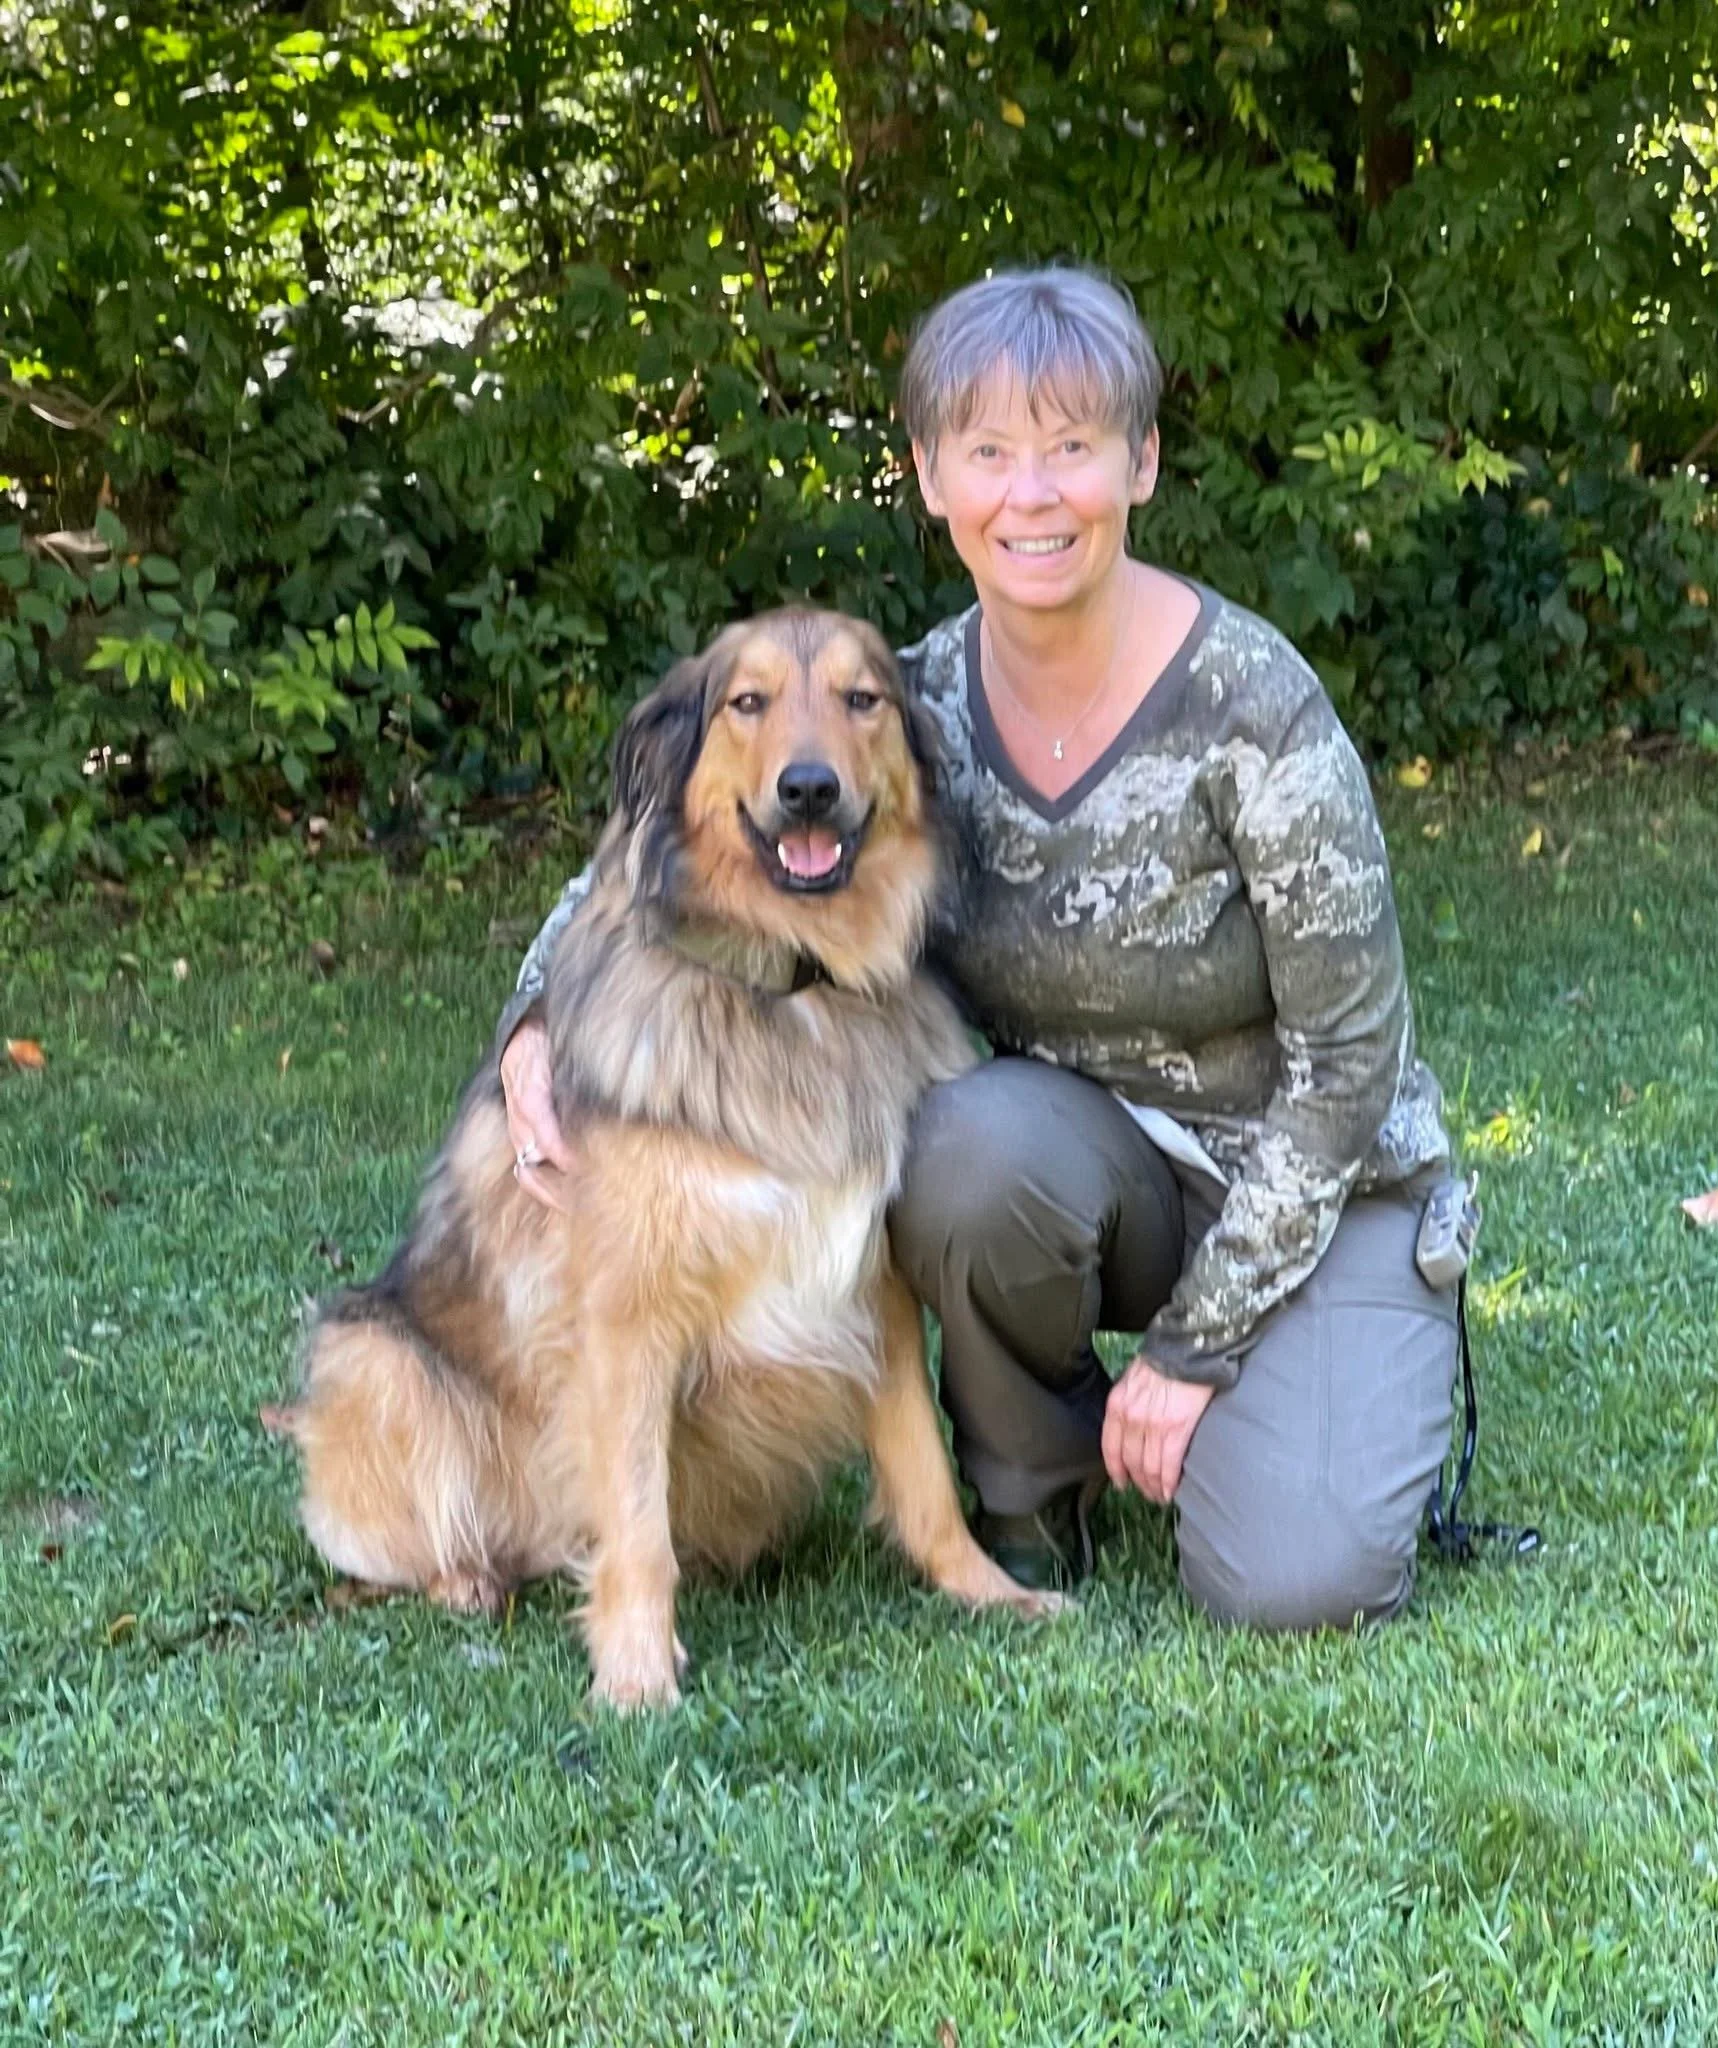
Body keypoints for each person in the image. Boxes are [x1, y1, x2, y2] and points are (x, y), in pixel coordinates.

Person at [494, 265, 1460, 1630]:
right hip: (1083, 1172)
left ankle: (1310, 1392)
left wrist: (1193, 1349)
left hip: (1314, 1180)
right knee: (962, 1140)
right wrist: (535, 1017)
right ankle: (1027, 1500)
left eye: (1071, 448)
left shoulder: (1256, 706)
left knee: (1295, 1579)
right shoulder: (905, 700)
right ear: (933, 478)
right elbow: (664, 844)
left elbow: (1354, 1067)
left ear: (1141, 461)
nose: (1033, 493)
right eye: (990, 452)